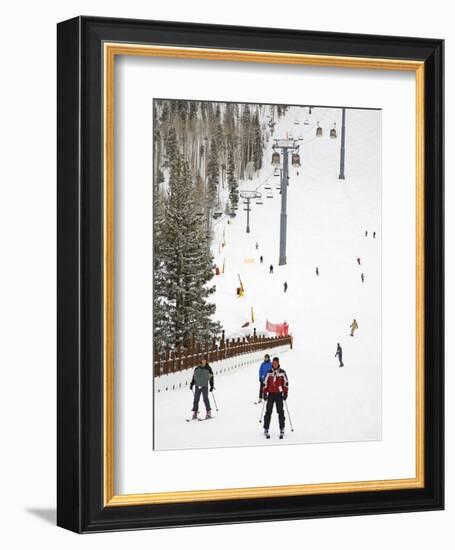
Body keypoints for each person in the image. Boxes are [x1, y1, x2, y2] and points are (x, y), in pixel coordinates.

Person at [262, 357, 289, 438]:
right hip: (270, 394)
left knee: (280, 412)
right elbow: (264, 384)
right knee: (268, 412)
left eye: (276, 363)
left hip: (279, 394)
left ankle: (282, 428)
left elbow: (286, 383)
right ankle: (266, 428)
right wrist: (264, 393)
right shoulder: (268, 373)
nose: (274, 365)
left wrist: (285, 393)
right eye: (273, 363)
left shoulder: (282, 372)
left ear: (278, 363)